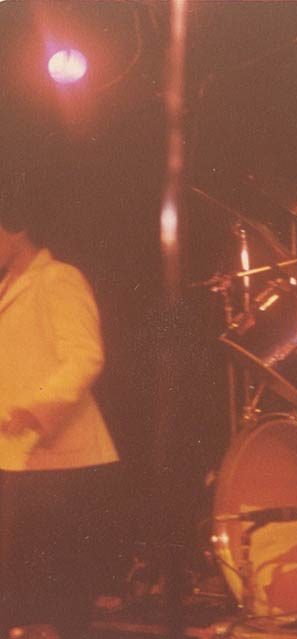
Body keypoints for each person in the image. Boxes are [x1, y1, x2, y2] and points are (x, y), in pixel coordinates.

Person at [0, 168, 121, 638]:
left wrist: (36, 407)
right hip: (18, 454)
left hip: (61, 456)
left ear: (17, 230)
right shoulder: (8, 288)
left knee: (62, 581)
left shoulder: (58, 279)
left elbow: (85, 355)